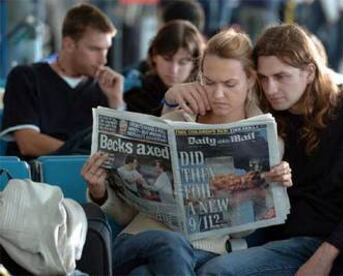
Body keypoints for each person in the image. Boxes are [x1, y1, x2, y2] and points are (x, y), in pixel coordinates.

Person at [165, 23, 343, 275]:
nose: (271, 89)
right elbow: (216, 99)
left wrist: (324, 258)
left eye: (281, 76)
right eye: (264, 78)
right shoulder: (264, 115)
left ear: (308, 72)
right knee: (217, 271)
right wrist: (173, 94)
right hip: (295, 246)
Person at [82, 28, 292, 275]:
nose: (218, 94)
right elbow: (128, 212)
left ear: (251, 79)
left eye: (229, 84)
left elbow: (240, 232)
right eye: (209, 82)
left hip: (205, 252)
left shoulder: (266, 140)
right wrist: (99, 191)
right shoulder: (175, 120)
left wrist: (264, 187)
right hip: (140, 240)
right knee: (170, 243)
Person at [0, 3, 124, 160]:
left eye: (106, 49)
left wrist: (116, 102)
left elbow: (119, 153)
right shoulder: (26, 77)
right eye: (94, 49)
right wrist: (88, 156)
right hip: (37, 179)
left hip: (89, 181)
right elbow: (28, 142)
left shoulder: (105, 88)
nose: (103, 59)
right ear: (69, 44)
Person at [123, 20, 204, 116]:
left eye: (183, 62)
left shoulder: (204, 99)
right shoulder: (135, 94)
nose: (174, 70)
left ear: (194, 64)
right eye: (167, 59)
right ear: (154, 56)